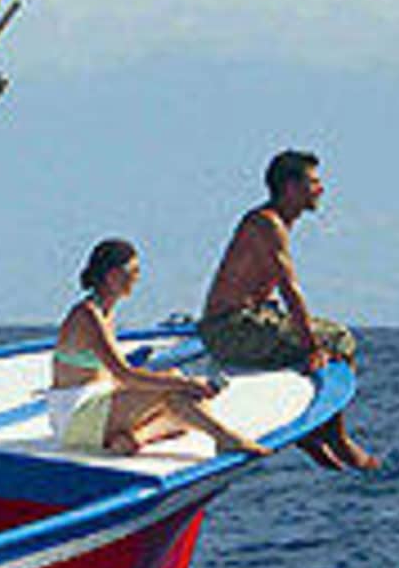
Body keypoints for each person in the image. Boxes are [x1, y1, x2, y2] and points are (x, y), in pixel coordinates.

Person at [199, 150, 376, 470]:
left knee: (321, 339)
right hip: (231, 331)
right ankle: (335, 437)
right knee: (340, 339)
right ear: (291, 187)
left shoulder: (271, 222)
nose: (321, 189)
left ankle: (316, 433)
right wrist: (312, 346)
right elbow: (290, 289)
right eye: (313, 182)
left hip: (236, 325)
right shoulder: (268, 224)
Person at [53, 240, 268, 459]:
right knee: (176, 392)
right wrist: (184, 383)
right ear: (113, 276)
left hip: (97, 406)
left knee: (186, 408)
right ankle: (225, 438)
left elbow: (116, 376)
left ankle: (135, 438)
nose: (137, 278)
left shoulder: (105, 312)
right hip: (75, 417)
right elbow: (124, 374)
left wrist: (176, 384)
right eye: (133, 271)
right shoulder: (87, 316)